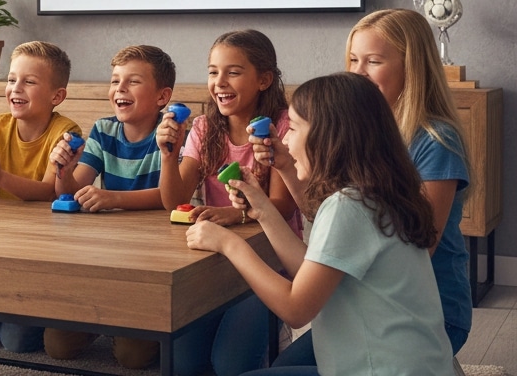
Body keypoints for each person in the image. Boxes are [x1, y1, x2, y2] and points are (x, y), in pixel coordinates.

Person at [189, 72, 455, 376]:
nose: (286, 140)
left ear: (330, 137)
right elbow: (309, 272)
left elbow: (296, 308)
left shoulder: (349, 207)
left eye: (296, 128)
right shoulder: (374, 195)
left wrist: (228, 243)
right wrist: (262, 209)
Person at [255, 8, 472, 368]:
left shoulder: (435, 140)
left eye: (373, 61)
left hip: (424, 304)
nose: (357, 72)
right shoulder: (363, 134)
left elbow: (421, 243)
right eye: (353, 59)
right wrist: (287, 169)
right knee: (290, 362)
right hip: (360, 285)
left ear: (412, 67)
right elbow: (331, 217)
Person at [153, 29, 300, 376]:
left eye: (233, 72)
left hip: (269, 258)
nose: (220, 82)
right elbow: (173, 200)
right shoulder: (205, 128)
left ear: (264, 79)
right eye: (212, 71)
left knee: (230, 363)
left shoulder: (282, 125)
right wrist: (168, 156)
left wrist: (236, 213)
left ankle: (271, 341)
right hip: (214, 260)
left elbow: (284, 204)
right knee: (182, 362)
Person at [45, 44, 174, 369]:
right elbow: (74, 190)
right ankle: (104, 319)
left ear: (162, 96)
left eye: (132, 81)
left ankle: (127, 325)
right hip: (109, 253)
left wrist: (114, 199)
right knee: (56, 345)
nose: (120, 89)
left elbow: (170, 198)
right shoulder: (104, 130)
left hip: (157, 257)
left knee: (133, 358)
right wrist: (64, 170)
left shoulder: (172, 134)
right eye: (115, 81)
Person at [0, 41, 81, 352]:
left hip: (45, 253)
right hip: (3, 247)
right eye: (12, 79)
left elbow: (51, 191)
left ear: (57, 96)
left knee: (16, 342)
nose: (15, 88)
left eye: (29, 81)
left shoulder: (66, 132)